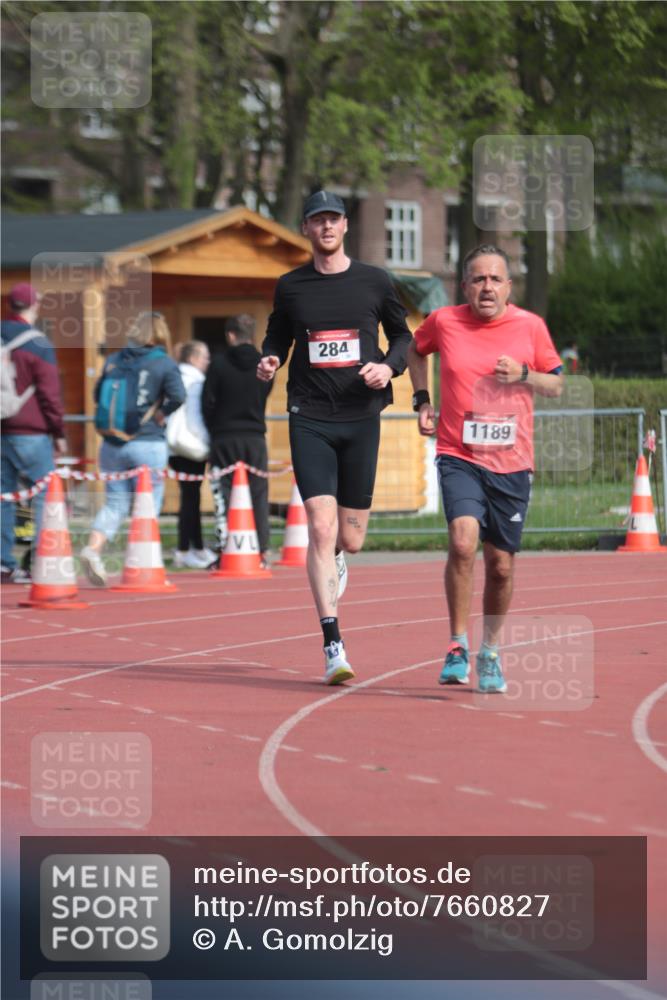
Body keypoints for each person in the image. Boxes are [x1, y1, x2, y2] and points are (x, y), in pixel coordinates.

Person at [257, 190, 412, 684]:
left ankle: (340, 557)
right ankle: (332, 644)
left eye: (334, 219)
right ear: (306, 228)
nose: (326, 227)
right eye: (317, 220)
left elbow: (403, 337)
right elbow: (277, 335)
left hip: (361, 415)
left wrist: (387, 368)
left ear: (345, 226)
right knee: (319, 526)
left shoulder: (374, 281)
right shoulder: (291, 286)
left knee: (350, 537)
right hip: (309, 415)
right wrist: (270, 358)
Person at [408, 244, 563, 693]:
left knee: (500, 567)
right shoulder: (445, 321)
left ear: (509, 287)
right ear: (465, 286)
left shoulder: (530, 327)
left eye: (495, 279)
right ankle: (457, 645)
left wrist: (523, 375)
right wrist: (423, 401)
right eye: (478, 279)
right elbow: (414, 351)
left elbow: (555, 384)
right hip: (459, 453)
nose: (487, 287)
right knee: (461, 541)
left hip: (512, 463)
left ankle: (490, 651)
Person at [80, 311, 185, 586]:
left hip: (112, 443)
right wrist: (160, 415)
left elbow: (96, 395)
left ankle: (93, 547)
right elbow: (178, 396)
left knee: (115, 502)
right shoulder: (163, 363)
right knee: (148, 502)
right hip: (148, 441)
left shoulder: (114, 360)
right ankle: (141, 559)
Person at [1, 282, 67, 583]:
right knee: (46, 493)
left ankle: (3, 562)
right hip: (29, 430)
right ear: (33, 306)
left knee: (3, 495)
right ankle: (41, 559)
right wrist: (59, 431)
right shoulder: (37, 343)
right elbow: (49, 393)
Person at [202, 314, 273, 566]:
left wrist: (215, 428)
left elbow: (207, 403)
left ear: (230, 335)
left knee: (225, 494)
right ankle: (261, 550)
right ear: (252, 335)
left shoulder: (218, 364)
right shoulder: (263, 365)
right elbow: (265, 393)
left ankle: (225, 551)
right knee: (258, 494)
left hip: (224, 436)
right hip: (254, 436)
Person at [168, 339, 215, 568]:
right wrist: (208, 443)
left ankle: (193, 546)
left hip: (172, 447)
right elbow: (195, 418)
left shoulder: (173, 375)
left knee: (189, 497)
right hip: (190, 446)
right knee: (190, 498)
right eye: (205, 357)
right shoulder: (196, 381)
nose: (208, 361)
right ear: (194, 358)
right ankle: (187, 548)